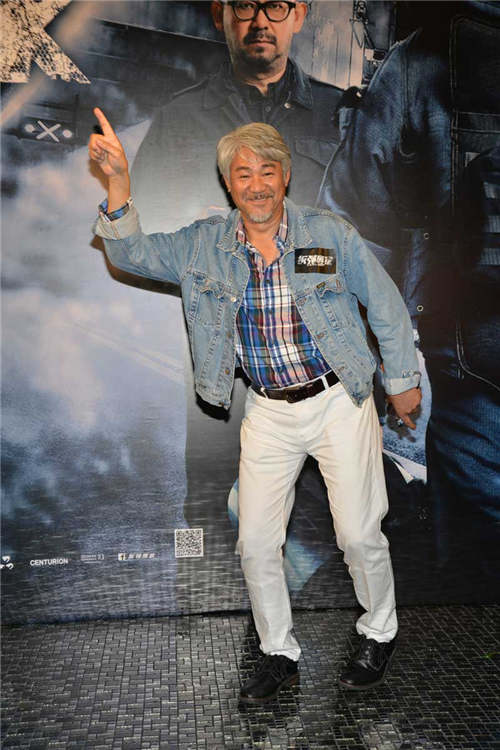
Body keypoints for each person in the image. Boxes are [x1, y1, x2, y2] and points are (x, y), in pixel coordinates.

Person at [89, 110, 421, 700]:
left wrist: (400, 379)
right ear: (229, 183)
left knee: (358, 533)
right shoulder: (204, 247)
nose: (257, 184)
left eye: (268, 171)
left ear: (285, 176)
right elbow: (130, 253)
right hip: (268, 412)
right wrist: (117, 182)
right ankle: (277, 651)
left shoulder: (327, 237)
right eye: (243, 174)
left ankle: (379, 631)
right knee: (257, 541)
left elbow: (386, 304)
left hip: (338, 402)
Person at [316, 1, 500, 598]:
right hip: (470, 386)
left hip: (474, 390)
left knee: (473, 589)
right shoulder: (418, 63)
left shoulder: (423, 61)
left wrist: (360, 360)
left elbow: (353, 230)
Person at [131, 0, 343, 232]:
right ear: (219, 15)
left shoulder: (341, 117)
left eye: (275, 7)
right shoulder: (177, 119)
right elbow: (144, 230)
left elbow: (359, 231)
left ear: (298, 16)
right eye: (245, 6)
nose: (260, 23)